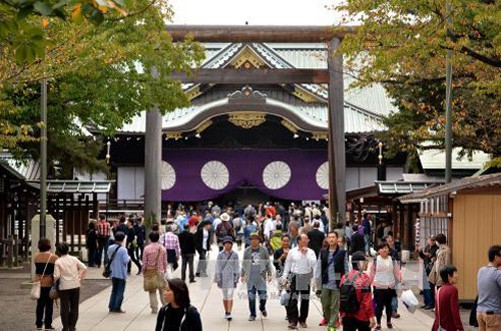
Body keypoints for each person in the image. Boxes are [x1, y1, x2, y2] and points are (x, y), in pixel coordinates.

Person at [282, 233, 317, 329]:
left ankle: (302, 320)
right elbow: (287, 265)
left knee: (305, 299)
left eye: (307, 239)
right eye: (305, 239)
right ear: (299, 241)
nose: (307, 241)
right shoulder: (292, 251)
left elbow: (314, 265)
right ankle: (293, 320)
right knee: (293, 299)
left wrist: (306, 255)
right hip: (295, 276)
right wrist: (284, 277)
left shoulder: (311, 252)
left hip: (305, 276)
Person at [315, 231, 346, 331]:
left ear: (337, 239)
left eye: (333, 237)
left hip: (337, 283)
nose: (331, 239)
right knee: (325, 304)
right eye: (330, 237)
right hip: (325, 282)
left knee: (334, 306)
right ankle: (330, 320)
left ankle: (332, 325)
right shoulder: (323, 252)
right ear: (327, 239)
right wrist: (317, 284)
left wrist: (345, 282)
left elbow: (346, 268)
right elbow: (318, 268)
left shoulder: (342, 252)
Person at [54, 242, 87, 331]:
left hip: (63, 286)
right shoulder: (74, 259)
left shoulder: (58, 261)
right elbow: (84, 267)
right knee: (74, 306)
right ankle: (72, 326)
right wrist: (79, 277)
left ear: (59, 251)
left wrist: (54, 282)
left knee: (64, 307)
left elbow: (56, 276)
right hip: (75, 285)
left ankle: (65, 326)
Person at [340, 251, 376, 331]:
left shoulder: (345, 277)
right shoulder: (364, 278)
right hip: (361, 315)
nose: (367, 263)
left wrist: (341, 314)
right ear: (360, 263)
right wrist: (371, 316)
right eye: (365, 261)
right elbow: (367, 300)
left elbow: (341, 297)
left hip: (347, 315)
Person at [241, 233, 273, 321]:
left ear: (259, 240)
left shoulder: (264, 250)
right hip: (250, 277)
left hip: (261, 277)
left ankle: (262, 307)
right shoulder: (247, 251)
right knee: (251, 297)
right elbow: (244, 263)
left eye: (255, 239)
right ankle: (252, 314)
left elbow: (268, 262)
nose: (253, 241)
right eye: (252, 239)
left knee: (263, 296)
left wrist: (270, 274)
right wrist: (242, 275)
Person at [369, 242, 401, 330]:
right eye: (382, 248)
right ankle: (378, 323)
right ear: (378, 250)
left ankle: (389, 321)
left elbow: (397, 271)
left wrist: (399, 280)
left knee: (389, 305)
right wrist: (368, 284)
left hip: (390, 286)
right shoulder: (376, 260)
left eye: (386, 248)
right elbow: (372, 273)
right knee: (379, 306)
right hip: (378, 286)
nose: (385, 250)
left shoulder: (392, 259)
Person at [34, 238, 58, 330]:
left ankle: (39, 324)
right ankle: (48, 325)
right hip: (49, 283)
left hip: (39, 283)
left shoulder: (36, 256)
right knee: (49, 305)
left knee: (40, 305)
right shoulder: (54, 257)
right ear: (49, 246)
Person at [476, 245, 501, 331]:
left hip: (480, 312)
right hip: (493, 315)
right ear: (495, 257)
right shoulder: (497, 273)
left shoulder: (481, 271)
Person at [215, 236, 240, 320]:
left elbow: (237, 266)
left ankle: (229, 312)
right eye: (226, 243)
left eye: (229, 243)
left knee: (230, 295)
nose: (228, 245)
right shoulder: (220, 255)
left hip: (231, 278)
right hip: (222, 278)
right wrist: (218, 278)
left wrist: (237, 277)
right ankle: (226, 311)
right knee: (225, 296)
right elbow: (218, 267)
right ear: (223, 244)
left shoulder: (235, 255)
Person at [142, 231, 167, 314]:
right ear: (158, 238)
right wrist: (165, 270)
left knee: (152, 291)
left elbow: (144, 262)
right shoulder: (162, 248)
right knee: (162, 290)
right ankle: (165, 306)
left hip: (149, 272)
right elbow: (165, 261)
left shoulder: (146, 248)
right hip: (160, 271)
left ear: (150, 238)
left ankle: (154, 308)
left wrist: (143, 271)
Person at [432, 265, 463, 331]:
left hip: (439, 326)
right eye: (455, 273)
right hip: (449, 327)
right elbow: (454, 311)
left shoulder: (440, 290)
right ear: (449, 276)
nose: (457, 276)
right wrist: (459, 327)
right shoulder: (452, 290)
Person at [107, 231, 130, 313]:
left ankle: (111, 306)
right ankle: (117, 307)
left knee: (114, 289)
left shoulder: (110, 248)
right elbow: (126, 260)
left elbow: (109, 257)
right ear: (123, 239)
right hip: (121, 272)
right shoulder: (123, 250)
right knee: (120, 290)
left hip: (112, 272)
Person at [418, 236, 439, 310]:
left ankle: (431, 303)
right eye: (431, 240)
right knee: (425, 287)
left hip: (432, 269)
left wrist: (429, 255)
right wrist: (420, 252)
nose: (432, 241)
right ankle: (426, 302)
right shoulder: (427, 247)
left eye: (433, 240)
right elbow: (423, 256)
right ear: (428, 240)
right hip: (425, 267)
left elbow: (434, 258)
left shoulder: (436, 248)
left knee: (430, 287)